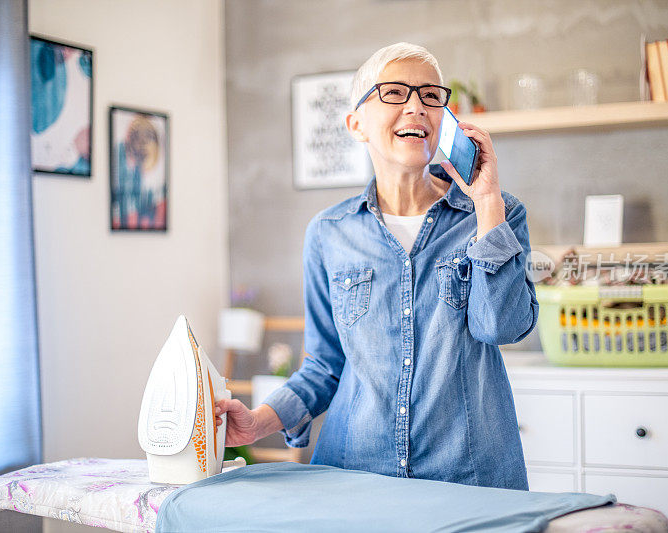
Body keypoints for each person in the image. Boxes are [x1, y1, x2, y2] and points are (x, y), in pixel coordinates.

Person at [216, 42, 538, 489]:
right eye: (393, 93)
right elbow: (325, 366)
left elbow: (501, 327)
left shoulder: (497, 213)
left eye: (430, 95)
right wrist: (257, 423)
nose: (416, 107)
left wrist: (486, 203)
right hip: (353, 477)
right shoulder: (330, 232)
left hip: (469, 478)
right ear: (356, 124)